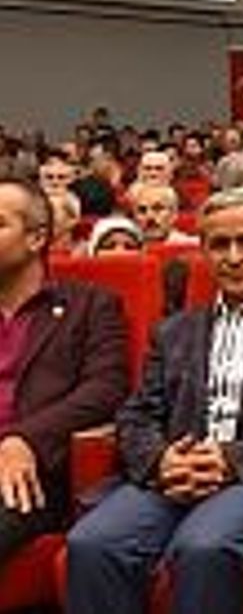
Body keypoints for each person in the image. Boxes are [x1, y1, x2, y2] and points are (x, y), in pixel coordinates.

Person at [65, 188, 243, 614]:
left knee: (203, 547)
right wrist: (161, 460)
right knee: (92, 543)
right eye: (219, 245)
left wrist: (229, 459)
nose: (234, 257)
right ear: (204, 253)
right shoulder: (174, 331)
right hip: (173, 473)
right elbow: (138, 411)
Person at [0, 177, 129, 564]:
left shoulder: (90, 306)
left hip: (29, 473)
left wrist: (25, 439)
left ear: (37, 238)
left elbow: (105, 390)